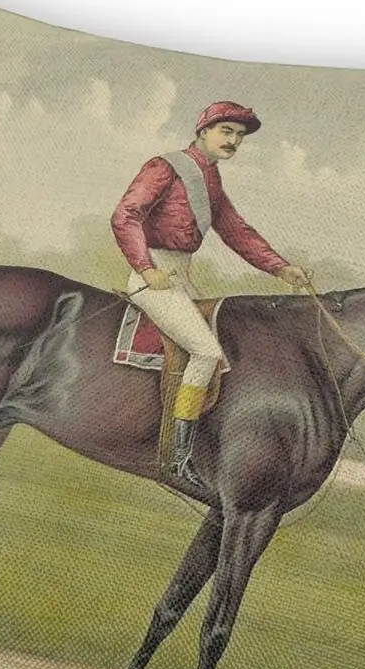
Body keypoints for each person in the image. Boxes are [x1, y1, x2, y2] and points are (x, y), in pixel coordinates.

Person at [111, 101, 312, 490]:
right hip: (152, 276)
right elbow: (125, 215)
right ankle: (177, 458)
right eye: (227, 131)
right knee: (206, 353)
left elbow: (235, 230)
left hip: (181, 278)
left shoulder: (211, 180)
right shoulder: (164, 167)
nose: (234, 140)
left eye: (240, 136)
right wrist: (145, 267)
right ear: (203, 131)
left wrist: (281, 268)